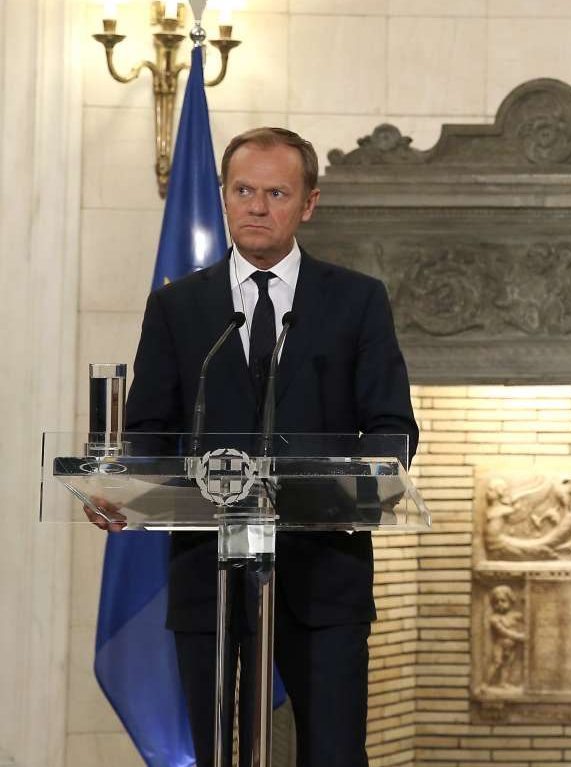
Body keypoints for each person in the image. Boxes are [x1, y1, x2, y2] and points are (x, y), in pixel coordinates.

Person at [92, 127, 418, 766]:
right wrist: (122, 488)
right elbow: (149, 430)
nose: (257, 207)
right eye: (243, 191)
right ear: (224, 197)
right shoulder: (177, 307)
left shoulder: (356, 301)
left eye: (276, 193)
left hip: (323, 580)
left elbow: (391, 424)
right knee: (215, 753)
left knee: (332, 754)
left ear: (309, 203)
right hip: (209, 577)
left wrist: (367, 483)